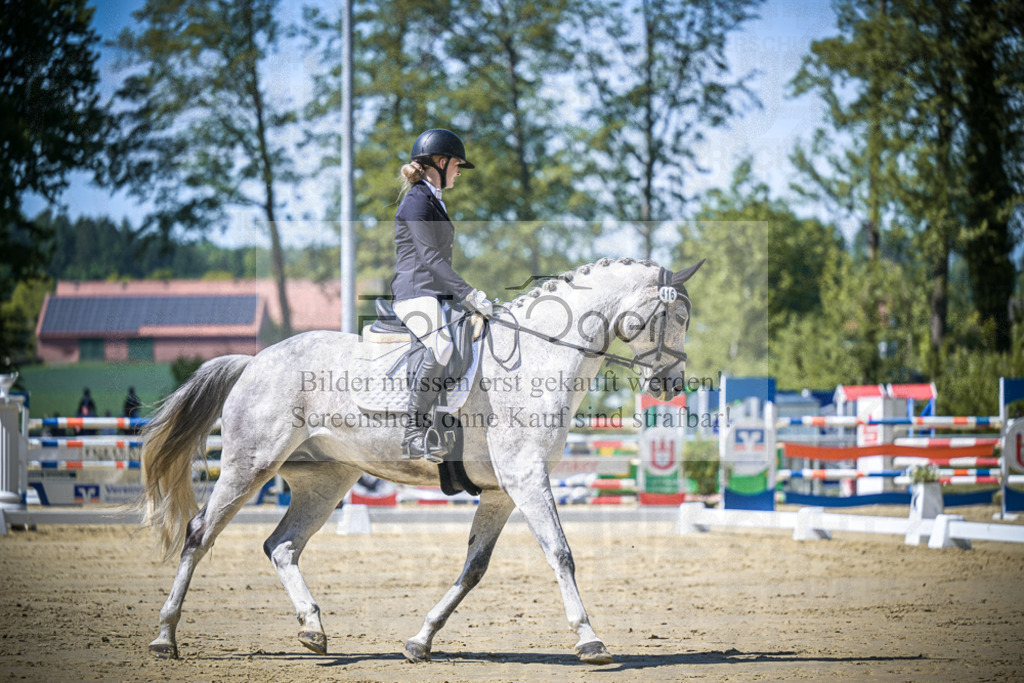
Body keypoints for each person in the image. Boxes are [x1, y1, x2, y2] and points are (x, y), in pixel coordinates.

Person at [391, 128, 493, 462]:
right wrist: (470, 294)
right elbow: (429, 258)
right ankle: (413, 434)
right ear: (441, 161)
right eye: (457, 164)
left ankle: (446, 422)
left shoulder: (432, 199)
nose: (460, 171)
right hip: (414, 293)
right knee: (443, 345)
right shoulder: (417, 200)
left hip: (434, 294)